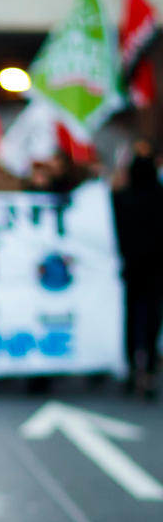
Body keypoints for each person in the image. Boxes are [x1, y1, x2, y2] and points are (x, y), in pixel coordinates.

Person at [113, 141, 163, 399]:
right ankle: (149, 370)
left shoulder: (121, 199)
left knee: (132, 320)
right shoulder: (159, 197)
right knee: (151, 320)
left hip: (131, 269)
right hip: (155, 269)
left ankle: (133, 367)